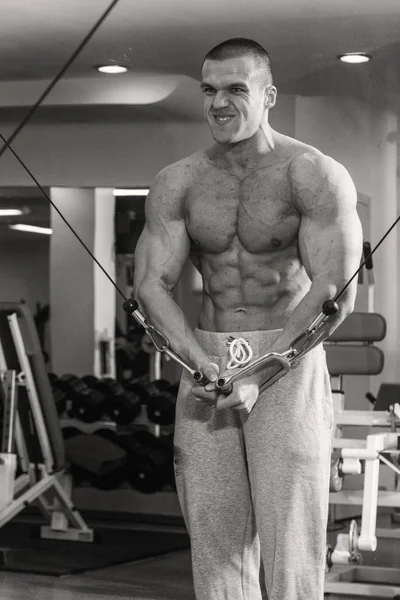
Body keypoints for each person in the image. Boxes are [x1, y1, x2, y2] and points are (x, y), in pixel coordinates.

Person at [133, 38, 363, 600]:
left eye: (237, 88)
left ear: (269, 94)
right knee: (213, 538)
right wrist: (198, 360)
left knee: (291, 543)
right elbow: (151, 285)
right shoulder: (178, 181)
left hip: (286, 359)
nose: (219, 102)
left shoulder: (312, 174)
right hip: (206, 358)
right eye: (209, 90)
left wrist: (262, 371)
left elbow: (335, 289)